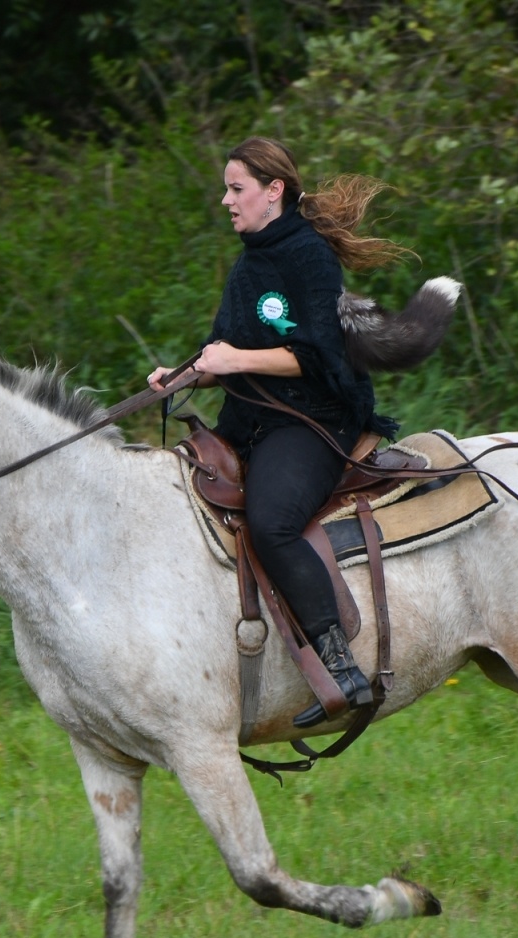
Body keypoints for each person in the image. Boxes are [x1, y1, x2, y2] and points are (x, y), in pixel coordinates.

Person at [149, 136, 408, 729]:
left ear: (274, 192)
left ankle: (343, 668)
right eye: (226, 189)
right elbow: (224, 349)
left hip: (314, 421)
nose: (225, 201)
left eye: (236, 189)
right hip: (254, 420)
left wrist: (233, 361)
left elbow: (319, 358)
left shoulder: (311, 257)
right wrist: (183, 374)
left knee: (271, 522)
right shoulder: (249, 264)